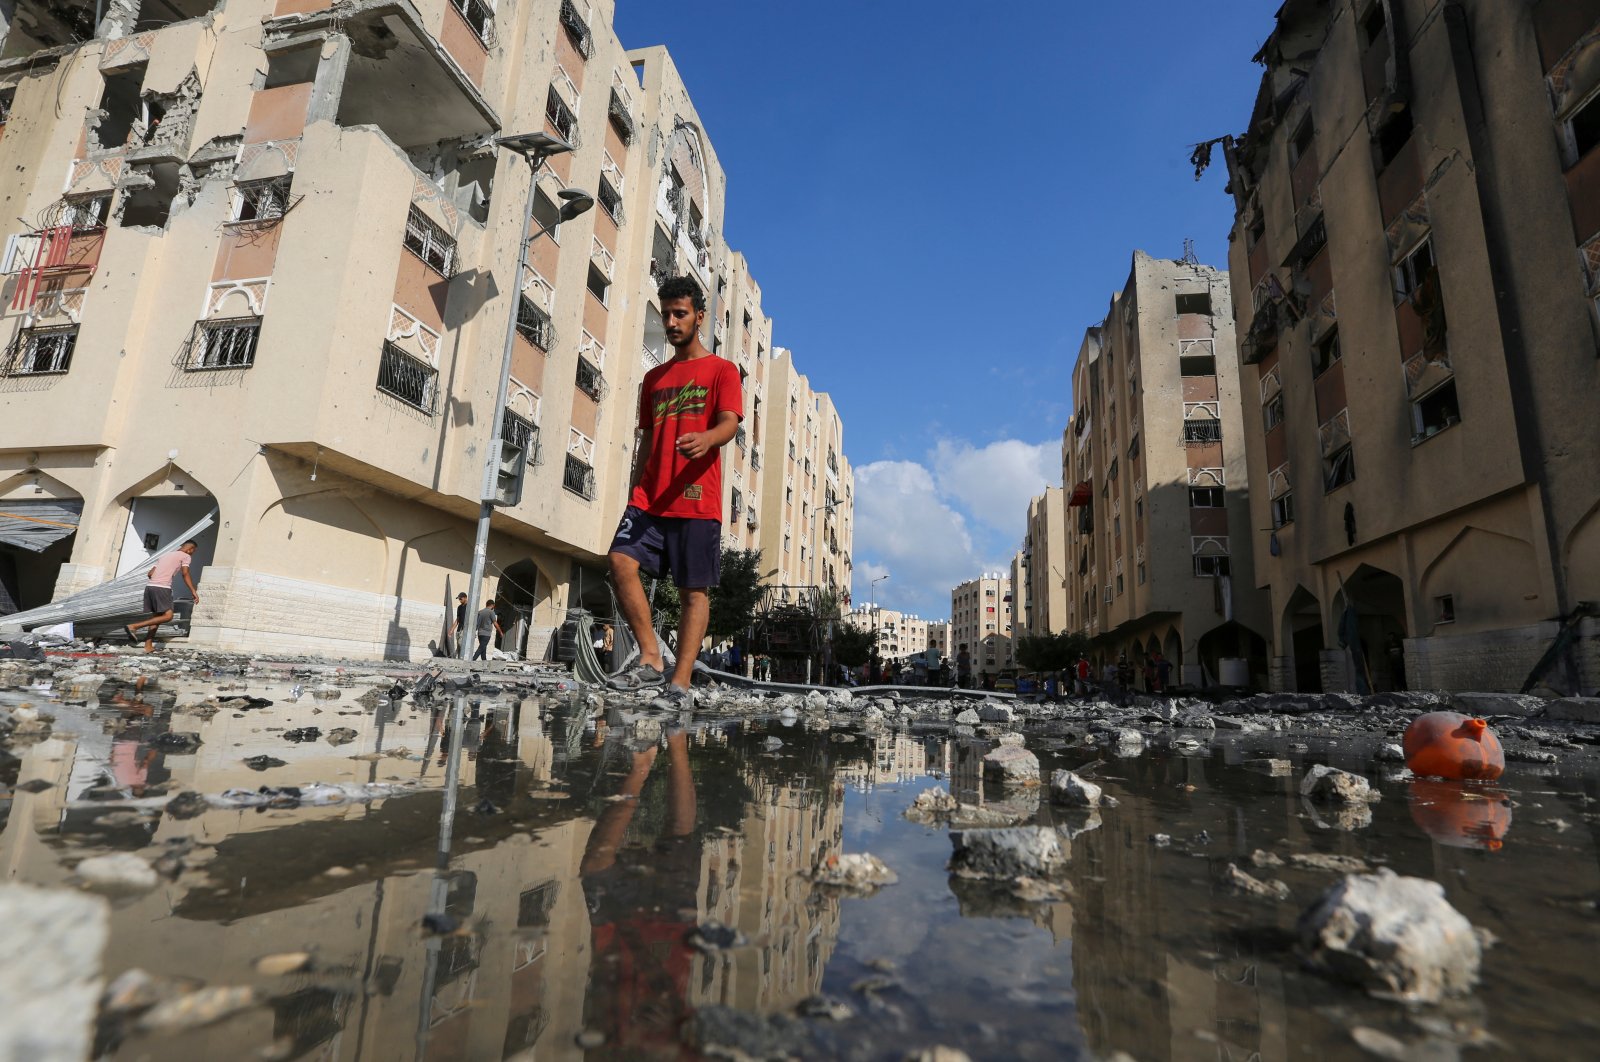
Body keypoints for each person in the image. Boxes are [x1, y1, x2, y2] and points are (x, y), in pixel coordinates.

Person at [606, 276, 743, 709]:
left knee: (692, 592)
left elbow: (730, 423)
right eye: (665, 314)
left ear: (699, 317)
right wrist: (634, 485)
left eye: (679, 314)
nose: (671, 322)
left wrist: (708, 439)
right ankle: (649, 654)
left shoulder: (722, 370)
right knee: (620, 560)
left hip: (697, 499)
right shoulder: (654, 378)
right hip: (650, 497)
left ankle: (679, 679)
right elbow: (647, 437)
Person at [125, 540, 198, 653]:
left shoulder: (165, 555)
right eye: (193, 551)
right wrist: (193, 590)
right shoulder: (185, 556)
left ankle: (148, 646)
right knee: (168, 616)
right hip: (162, 588)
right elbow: (185, 573)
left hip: (150, 587)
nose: (192, 553)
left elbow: (150, 574)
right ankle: (134, 626)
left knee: (156, 618)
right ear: (190, 549)